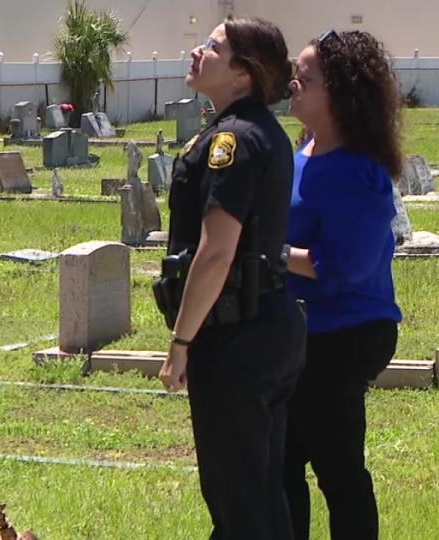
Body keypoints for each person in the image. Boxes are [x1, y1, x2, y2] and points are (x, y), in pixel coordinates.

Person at [154, 15, 305, 540]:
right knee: (261, 490)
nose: (198, 51)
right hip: (270, 324)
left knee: (238, 499)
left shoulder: (233, 141)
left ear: (244, 73)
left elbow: (218, 251)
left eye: (214, 47)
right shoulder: (264, 132)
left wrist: (181, 340)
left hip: (237, 335)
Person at [283, 29, 404, 540]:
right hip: (304, 330)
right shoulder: (304, 151)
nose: (292, 83)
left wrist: (271, 255)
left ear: (338, 93)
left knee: (337, 468)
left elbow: (345, 266)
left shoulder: (358, 170)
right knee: (281, 462)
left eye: (304, 78)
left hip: (347, 331)